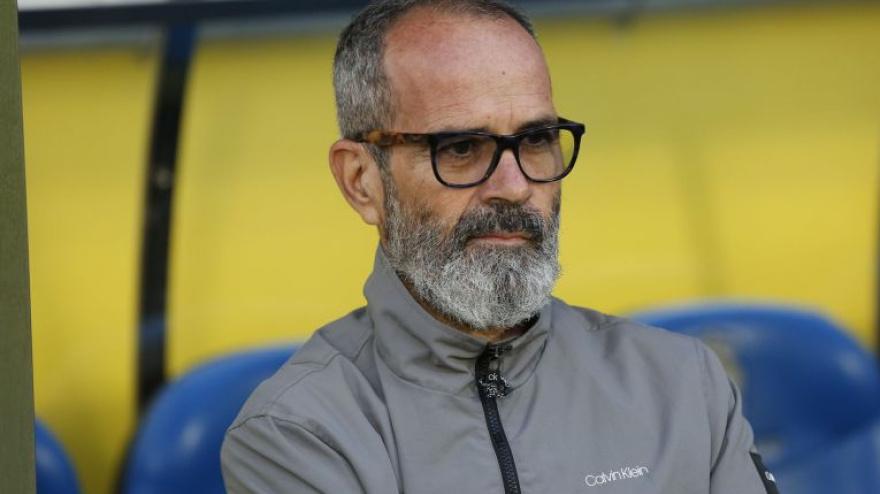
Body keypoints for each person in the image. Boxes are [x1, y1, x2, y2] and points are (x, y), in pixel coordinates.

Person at [221, 1, 779, 493]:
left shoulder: (682, 386)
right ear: (361, 181)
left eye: (536, 140)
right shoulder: (299, 434)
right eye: (461, 147)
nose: (514, 187)